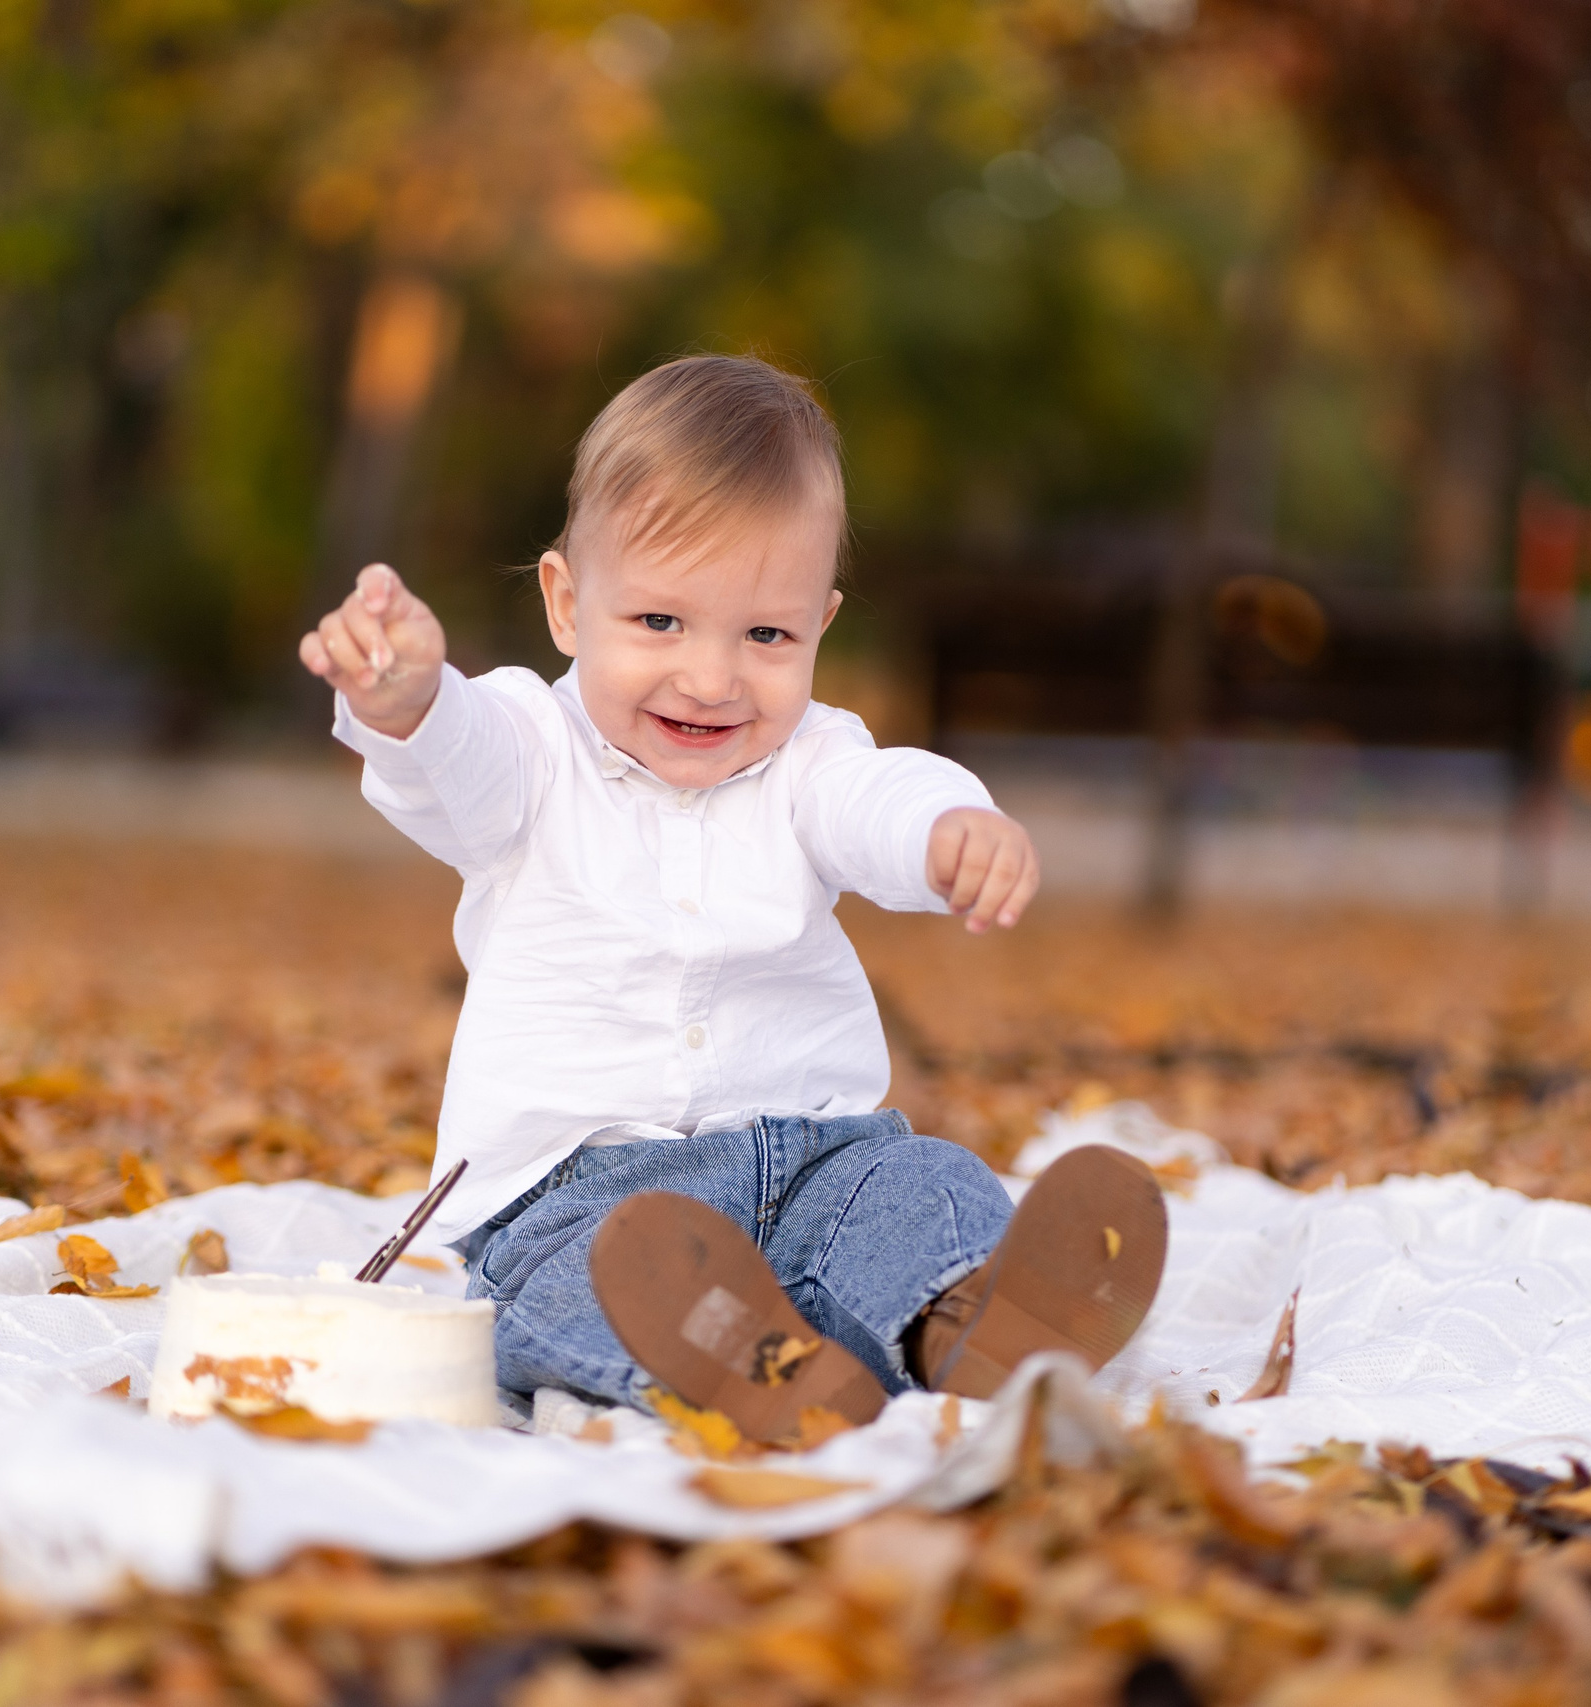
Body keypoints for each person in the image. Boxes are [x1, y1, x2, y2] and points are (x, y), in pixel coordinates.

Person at [302, 354, 1165, 1444]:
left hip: (812, 1164)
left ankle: (963, 1322)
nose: (711, 680)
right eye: (659, 622)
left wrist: (947, 826)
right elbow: (453, 760)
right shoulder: (528, 746)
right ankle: (734, 1364)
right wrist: (411, 702)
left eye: (766, 636)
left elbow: (876, 797)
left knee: (923, 1183)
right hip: (577, 1193)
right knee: (578, 1282)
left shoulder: (811, 759)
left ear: (820, 626)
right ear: (567, 603)